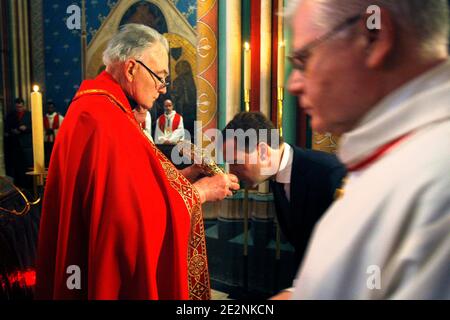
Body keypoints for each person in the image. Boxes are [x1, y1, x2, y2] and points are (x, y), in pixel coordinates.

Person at [36, 24, 240, 300]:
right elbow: (128, 223)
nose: (163, 88)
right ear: (132, 68)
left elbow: (134, 189)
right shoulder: (103, 119)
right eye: (160, 76)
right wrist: (201, 192)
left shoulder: (101, 107)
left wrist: (185, 176)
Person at [278, 0, 450, 299]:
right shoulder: (397, 157)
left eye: (303, 60)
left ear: (374, 36)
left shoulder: (435, 182)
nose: (293, 84)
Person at [222, 111, 346, 275]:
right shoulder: (275, 174)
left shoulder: (330, 174)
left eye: (236, 161)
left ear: (263, 152)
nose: (231, 171)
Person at [4, 98, 33, 189]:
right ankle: (19, 187)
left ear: (24, 105)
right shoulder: (11, 115)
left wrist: (26, 128)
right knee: (18, 168)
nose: (19, 109)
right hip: (15, 145)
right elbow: (7, 128)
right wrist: (13, 131)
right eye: (17, 107)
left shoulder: (29, 115)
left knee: (28, 166)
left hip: (27, 145)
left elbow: (35, 127)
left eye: (20, 107)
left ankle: (30, 186)